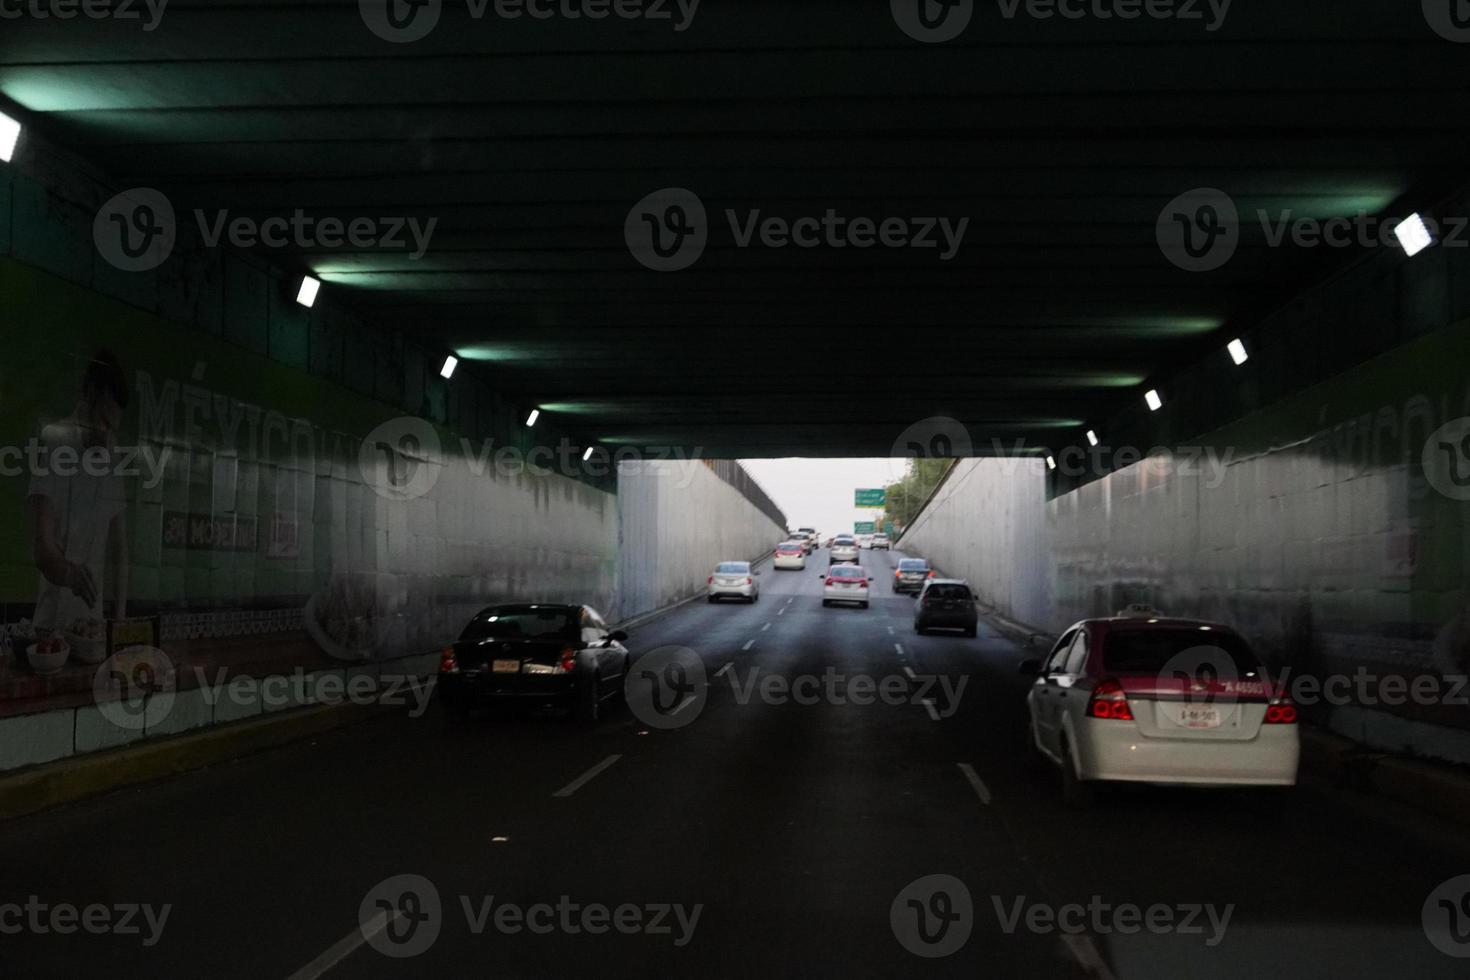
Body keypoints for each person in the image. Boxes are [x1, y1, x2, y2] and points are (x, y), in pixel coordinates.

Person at [27, 350, 130, 657]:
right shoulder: (55, 441)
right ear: (89, 394)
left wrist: (120, 626)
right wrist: (70, 575)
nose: (107, 434)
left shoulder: (111, 455)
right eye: (102, 422)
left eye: (113, 427)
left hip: (92, 628)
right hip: (52, 625)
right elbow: (42, 550)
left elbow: (119, 547)